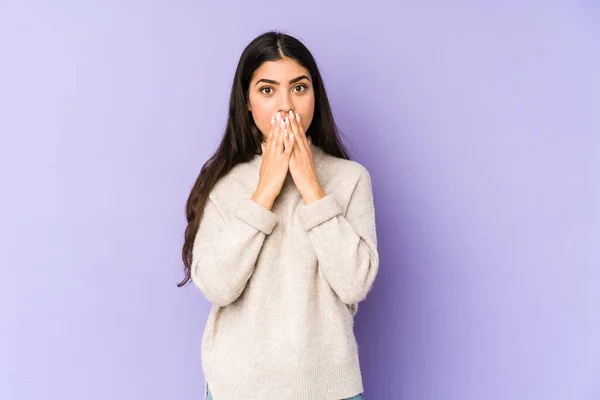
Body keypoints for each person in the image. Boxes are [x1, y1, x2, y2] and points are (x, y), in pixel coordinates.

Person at [179, 30, 379, 400]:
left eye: (299, 88)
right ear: (247, 102)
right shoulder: (223, 184)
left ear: (315, 96)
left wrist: (312, 189)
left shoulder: (350, 179)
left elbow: (354, 284)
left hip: (330, 389)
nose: (285, 105)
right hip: (238, 389)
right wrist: (264, 192)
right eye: (267, 90)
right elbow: (219, 286)